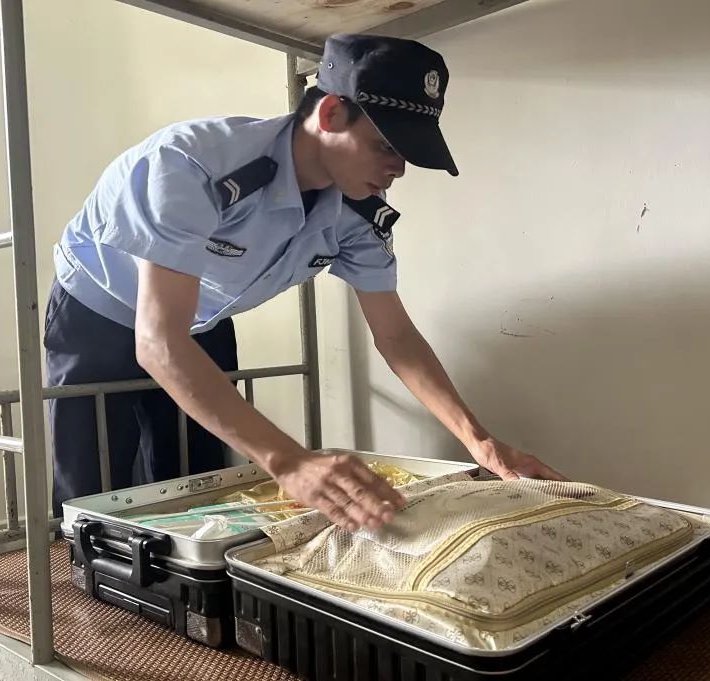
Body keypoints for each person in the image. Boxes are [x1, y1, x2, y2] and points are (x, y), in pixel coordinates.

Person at [44, 33, 565, 529]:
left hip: (203, 318)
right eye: (386, 146)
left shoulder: (360, 211)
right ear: (331, 113)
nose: (398, 170)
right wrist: (289, 461)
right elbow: (158, 342)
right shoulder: (192, 165)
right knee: (91, 499)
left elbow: (396, 336)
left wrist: (480, 443)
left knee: (196, 490)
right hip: (98, 309)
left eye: (407, 154)